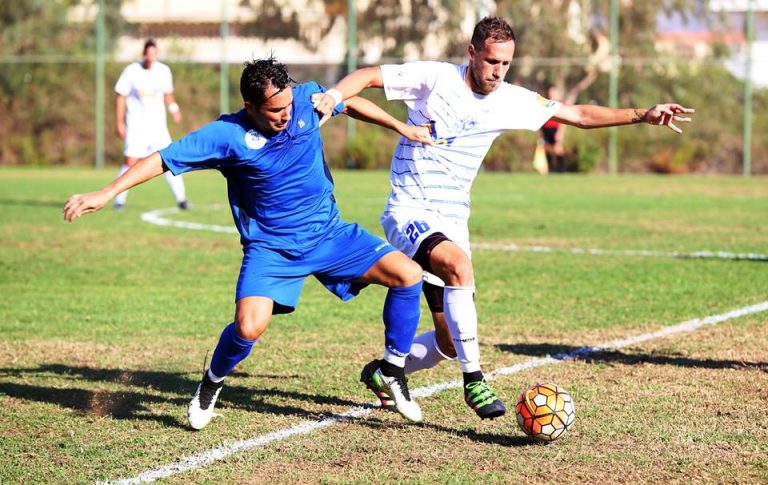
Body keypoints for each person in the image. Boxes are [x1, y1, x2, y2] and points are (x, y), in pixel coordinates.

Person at [314, 16, 694, 420]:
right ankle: (474, 380)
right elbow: (371, 76)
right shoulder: (434, 78)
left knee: (447, 341)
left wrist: (642, 114)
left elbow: (578, 116)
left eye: (506, 64)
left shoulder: (511, 98)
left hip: (454, 217)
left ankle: (388, 370)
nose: (498, 71)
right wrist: (335, 94)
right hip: (409, 208)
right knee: (459, 267)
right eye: (491, 60)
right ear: (472, 52)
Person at [64, 56, 438, 429]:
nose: (286, 115)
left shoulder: (306, 101)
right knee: (248, 328)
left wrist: (399, 127)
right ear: (250, 106)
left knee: (408, 274)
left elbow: (349, 100)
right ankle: (211, 383)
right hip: (271, 249)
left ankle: (391, 369)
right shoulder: (226, 135)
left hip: (329, 234)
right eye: (275, 110)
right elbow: (162, 159)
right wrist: (106, 191)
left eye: (288, 105)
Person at [113, 39, 188, 211]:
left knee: (171, 159)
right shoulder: (131, 71)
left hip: (158, 128)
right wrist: (119, 122)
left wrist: (174, 109)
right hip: (136, 126)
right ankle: (119, 200)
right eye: (148, 53)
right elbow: (120, 96)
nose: (151, 57)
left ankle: (181, 199)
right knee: (130, 161)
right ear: (144, 54)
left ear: (157, 54)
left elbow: (168, 94)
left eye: (154, 53)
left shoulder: (163, 71)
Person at [540, 86, 565, 173]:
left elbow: (563, 122)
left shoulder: (560, 104)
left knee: (558, 148)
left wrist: (560, 132)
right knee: (546, 148)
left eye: (553, 92)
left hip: (555, 129)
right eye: (550, 92)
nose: (551, 94)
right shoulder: (545, 103)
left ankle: (561, 169)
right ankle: (550, 169)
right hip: (545, 129)